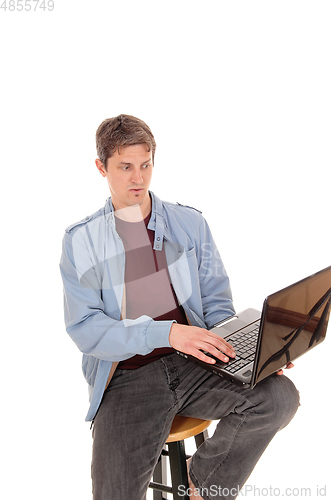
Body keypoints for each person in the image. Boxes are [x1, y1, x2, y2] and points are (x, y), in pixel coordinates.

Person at [59, 114, 299, 500]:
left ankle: (202, 485)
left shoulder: (189, 223)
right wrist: (166, 332)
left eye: (145, 164)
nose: (138, 178)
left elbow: (219, 304)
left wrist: (252, 351)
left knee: (279, 397)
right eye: (124, 167)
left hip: (196, 361)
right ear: (101, 168)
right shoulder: (81, 241)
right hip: (127, 377)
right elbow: (86, 330)